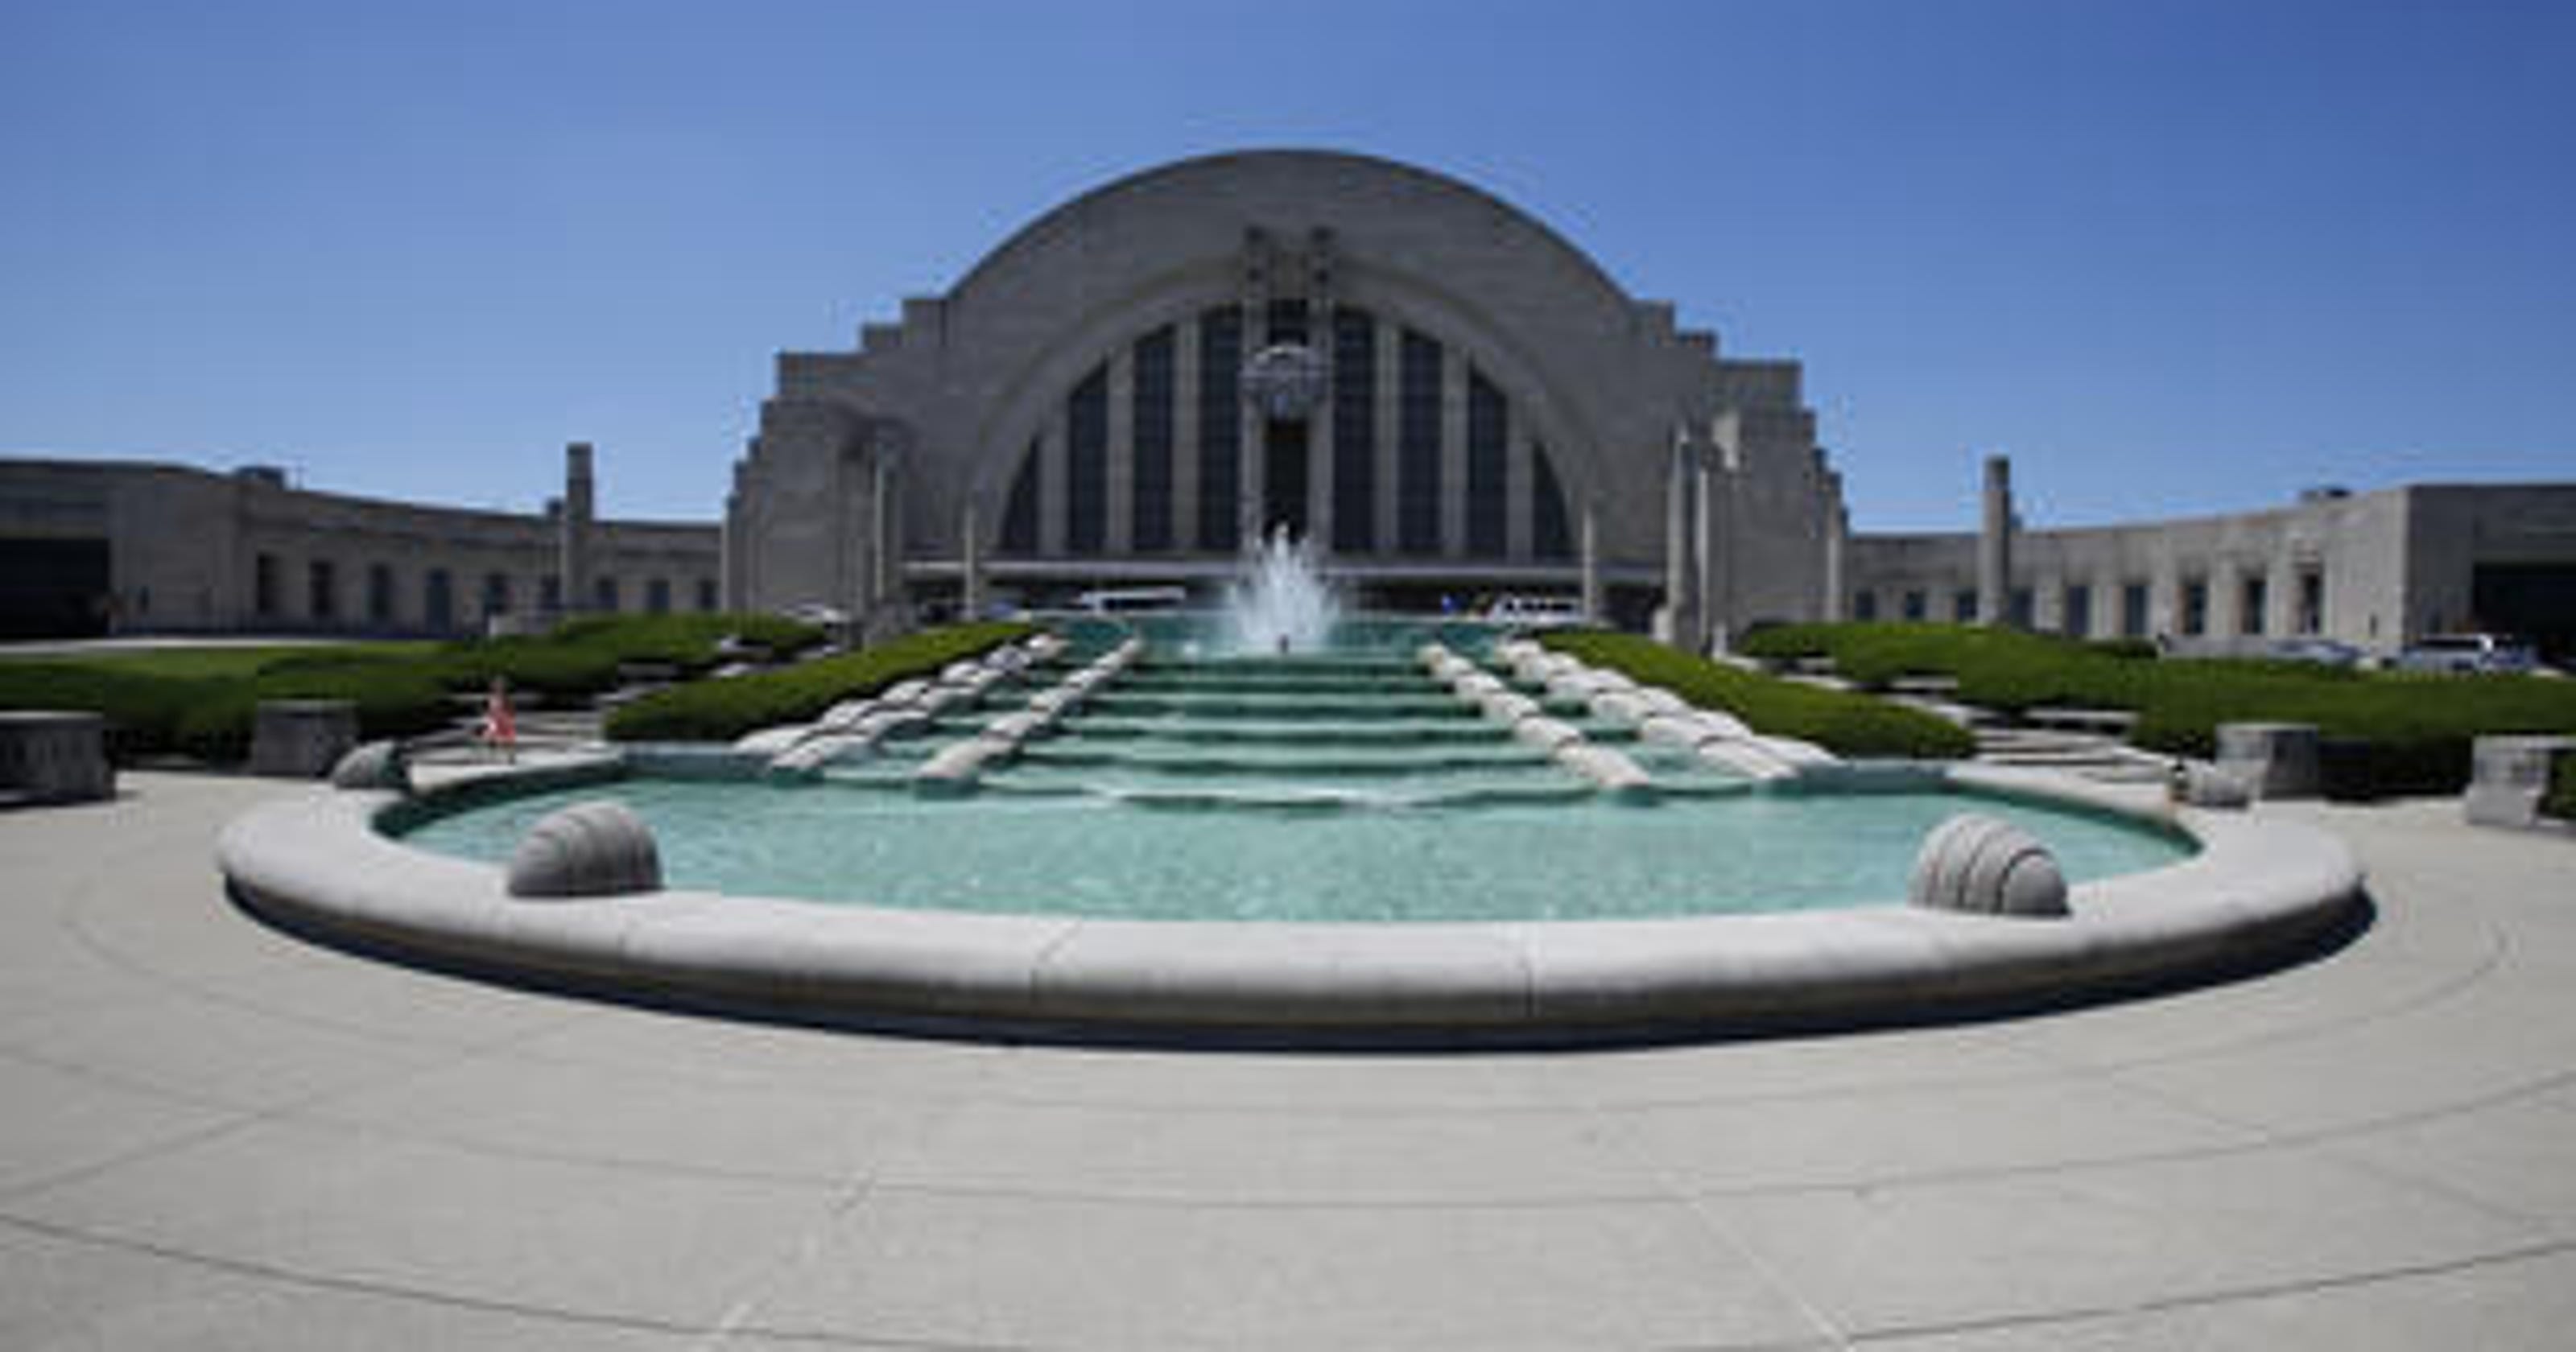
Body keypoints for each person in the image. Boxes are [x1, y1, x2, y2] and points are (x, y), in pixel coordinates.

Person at [479, 676, 518, 763]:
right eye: (496, 685)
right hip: (495, 719)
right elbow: (490, 709)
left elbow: (510, 708)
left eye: (500, 685)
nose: (498, 687)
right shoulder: (492, 698)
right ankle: (493, 754)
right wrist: (488, 716)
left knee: (508, 738)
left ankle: (511, 756)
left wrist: (511, 717)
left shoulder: (506, 697)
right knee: (491, 735)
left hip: (504, 718)